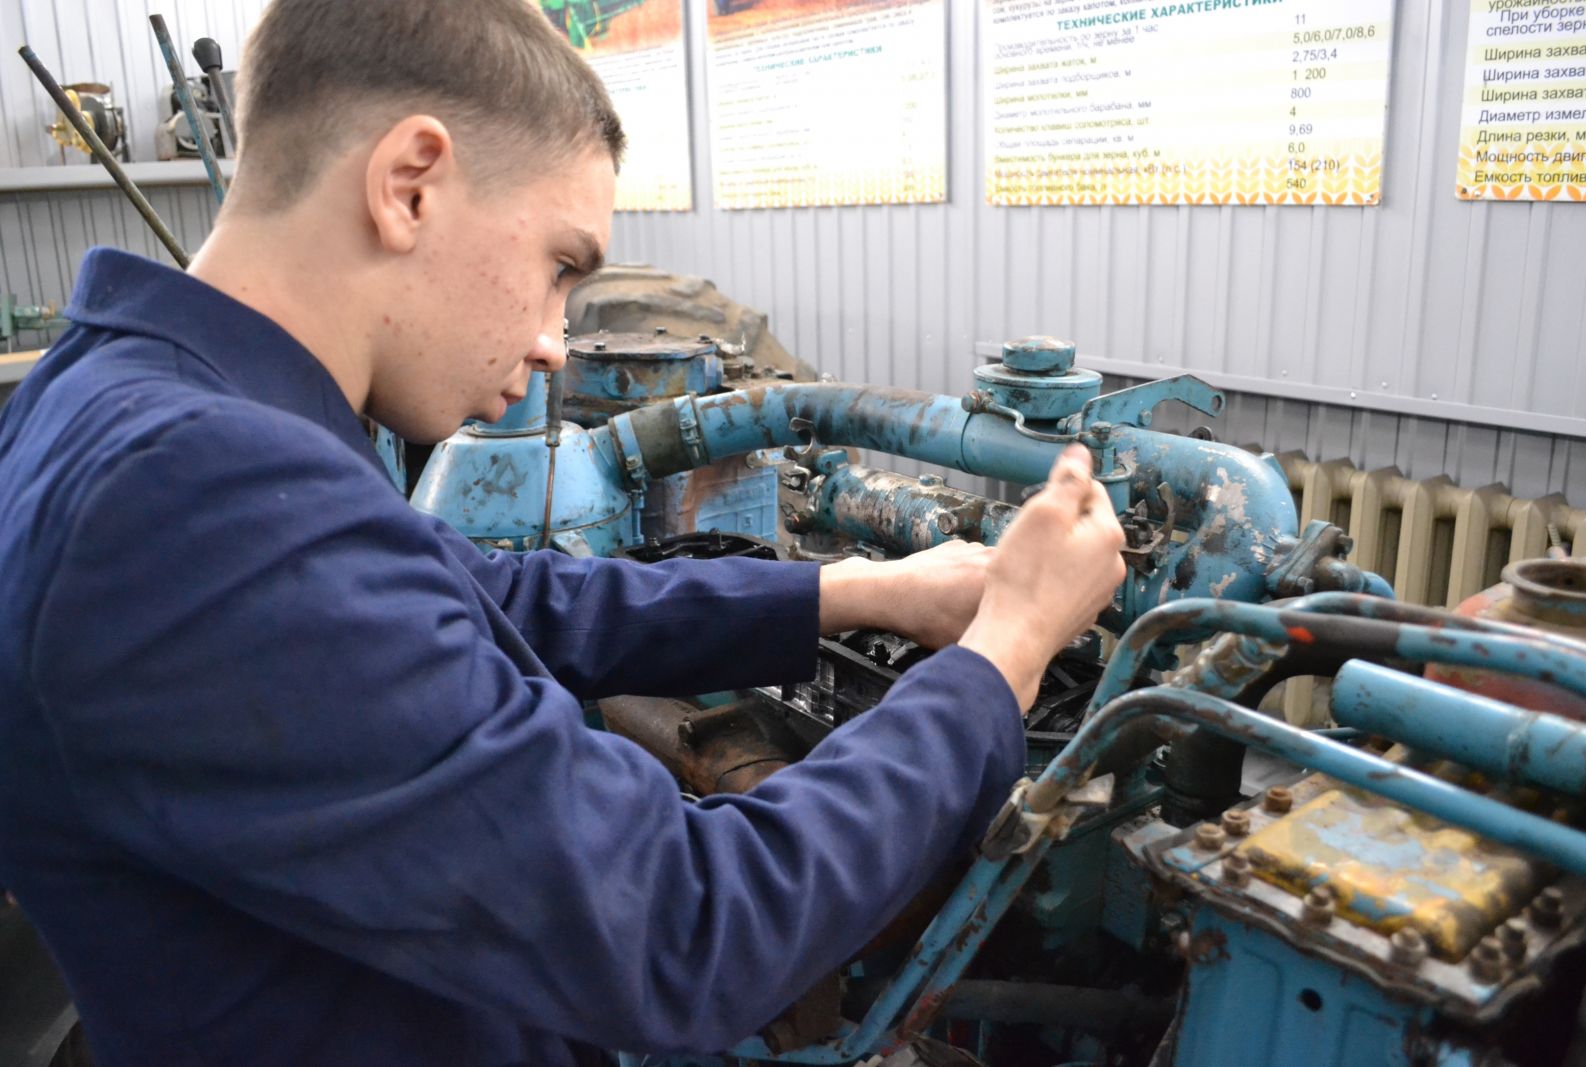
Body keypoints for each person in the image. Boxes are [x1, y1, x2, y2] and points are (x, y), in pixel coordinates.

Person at [0, 1, 1127, 1064]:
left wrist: (857, 592)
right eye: (559, 268)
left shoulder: (128, 404)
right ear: (409, 185)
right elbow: (687, 922)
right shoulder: (193, 498)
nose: (554, 340)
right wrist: (1001, 659)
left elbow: (499, 597)